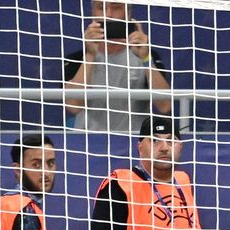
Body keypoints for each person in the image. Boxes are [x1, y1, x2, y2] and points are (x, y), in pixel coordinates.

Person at [88, 116, 212, 230]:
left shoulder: (183, 183)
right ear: (140, 147)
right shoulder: (121, 185)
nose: (164, 148)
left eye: (171, 141)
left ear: (180, 148)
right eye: (154, 140)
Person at [63, 1, 172, 133]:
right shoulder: (77, 58)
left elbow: (165, 106)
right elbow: (73, 106)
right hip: (88, 143)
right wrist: (90, 55)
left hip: (134, 143)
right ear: (93, 12)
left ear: (128, 12)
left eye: (116, 7)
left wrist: (145, 59)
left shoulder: (146, 56)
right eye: (101, 7)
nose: (108, 14)